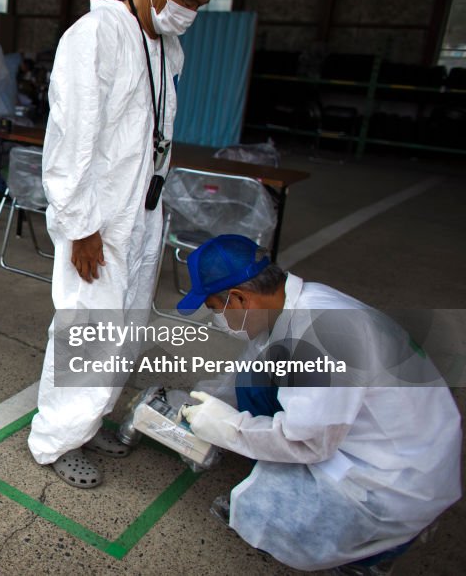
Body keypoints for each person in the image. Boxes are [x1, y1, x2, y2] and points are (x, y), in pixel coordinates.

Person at [26, 0, 225, 488]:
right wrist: (80, 225)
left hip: (141, 214)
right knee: (86, 329)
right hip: (98, 218)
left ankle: (93, 419)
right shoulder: (95, 36)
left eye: (201, 4)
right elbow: (71, 142)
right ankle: (57, 439)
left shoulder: (166, 44)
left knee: (126, 327)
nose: (190, 12)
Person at [177, 234, 462, 575]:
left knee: (264, 513)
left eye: (214, 309)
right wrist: (203, 406)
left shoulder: (320, 336)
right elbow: (249, 369)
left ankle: (367, 556)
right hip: (406, 441)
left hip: (395, 484)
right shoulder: (297, 303)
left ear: (239, 298)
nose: (216, 321)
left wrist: (228, 429)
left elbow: (308, 442)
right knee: (256, 376)